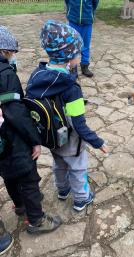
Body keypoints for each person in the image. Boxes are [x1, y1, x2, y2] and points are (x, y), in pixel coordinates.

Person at [26, 20, 108, 212]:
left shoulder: (37, 75)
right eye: (79, 52)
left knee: (59, 164)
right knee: (78, 168)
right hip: (71, 141)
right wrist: (97, 142)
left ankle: (62, 190)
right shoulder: (72, 89)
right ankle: (81, 199)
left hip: (51, 137)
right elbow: (79, 124)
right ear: (70, 57)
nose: (81, 55)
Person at [0, 25, 62, 234]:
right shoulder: (5, 75)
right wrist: (34, 139)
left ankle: (19, 205)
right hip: (11, 137)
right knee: (28, 177)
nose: (14, 56)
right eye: (12, 52)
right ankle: (36, 220)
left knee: (9, 173)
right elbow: (15, 112)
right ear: (4, 51)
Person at [65, 0, 99, 77]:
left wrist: (90, 13)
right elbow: (67, 2)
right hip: (73, 21)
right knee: (73, 46)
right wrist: (70, 12)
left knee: (86, 45)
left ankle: (85, 66)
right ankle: (73, 68)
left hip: (87, 22)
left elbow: (95, 3)